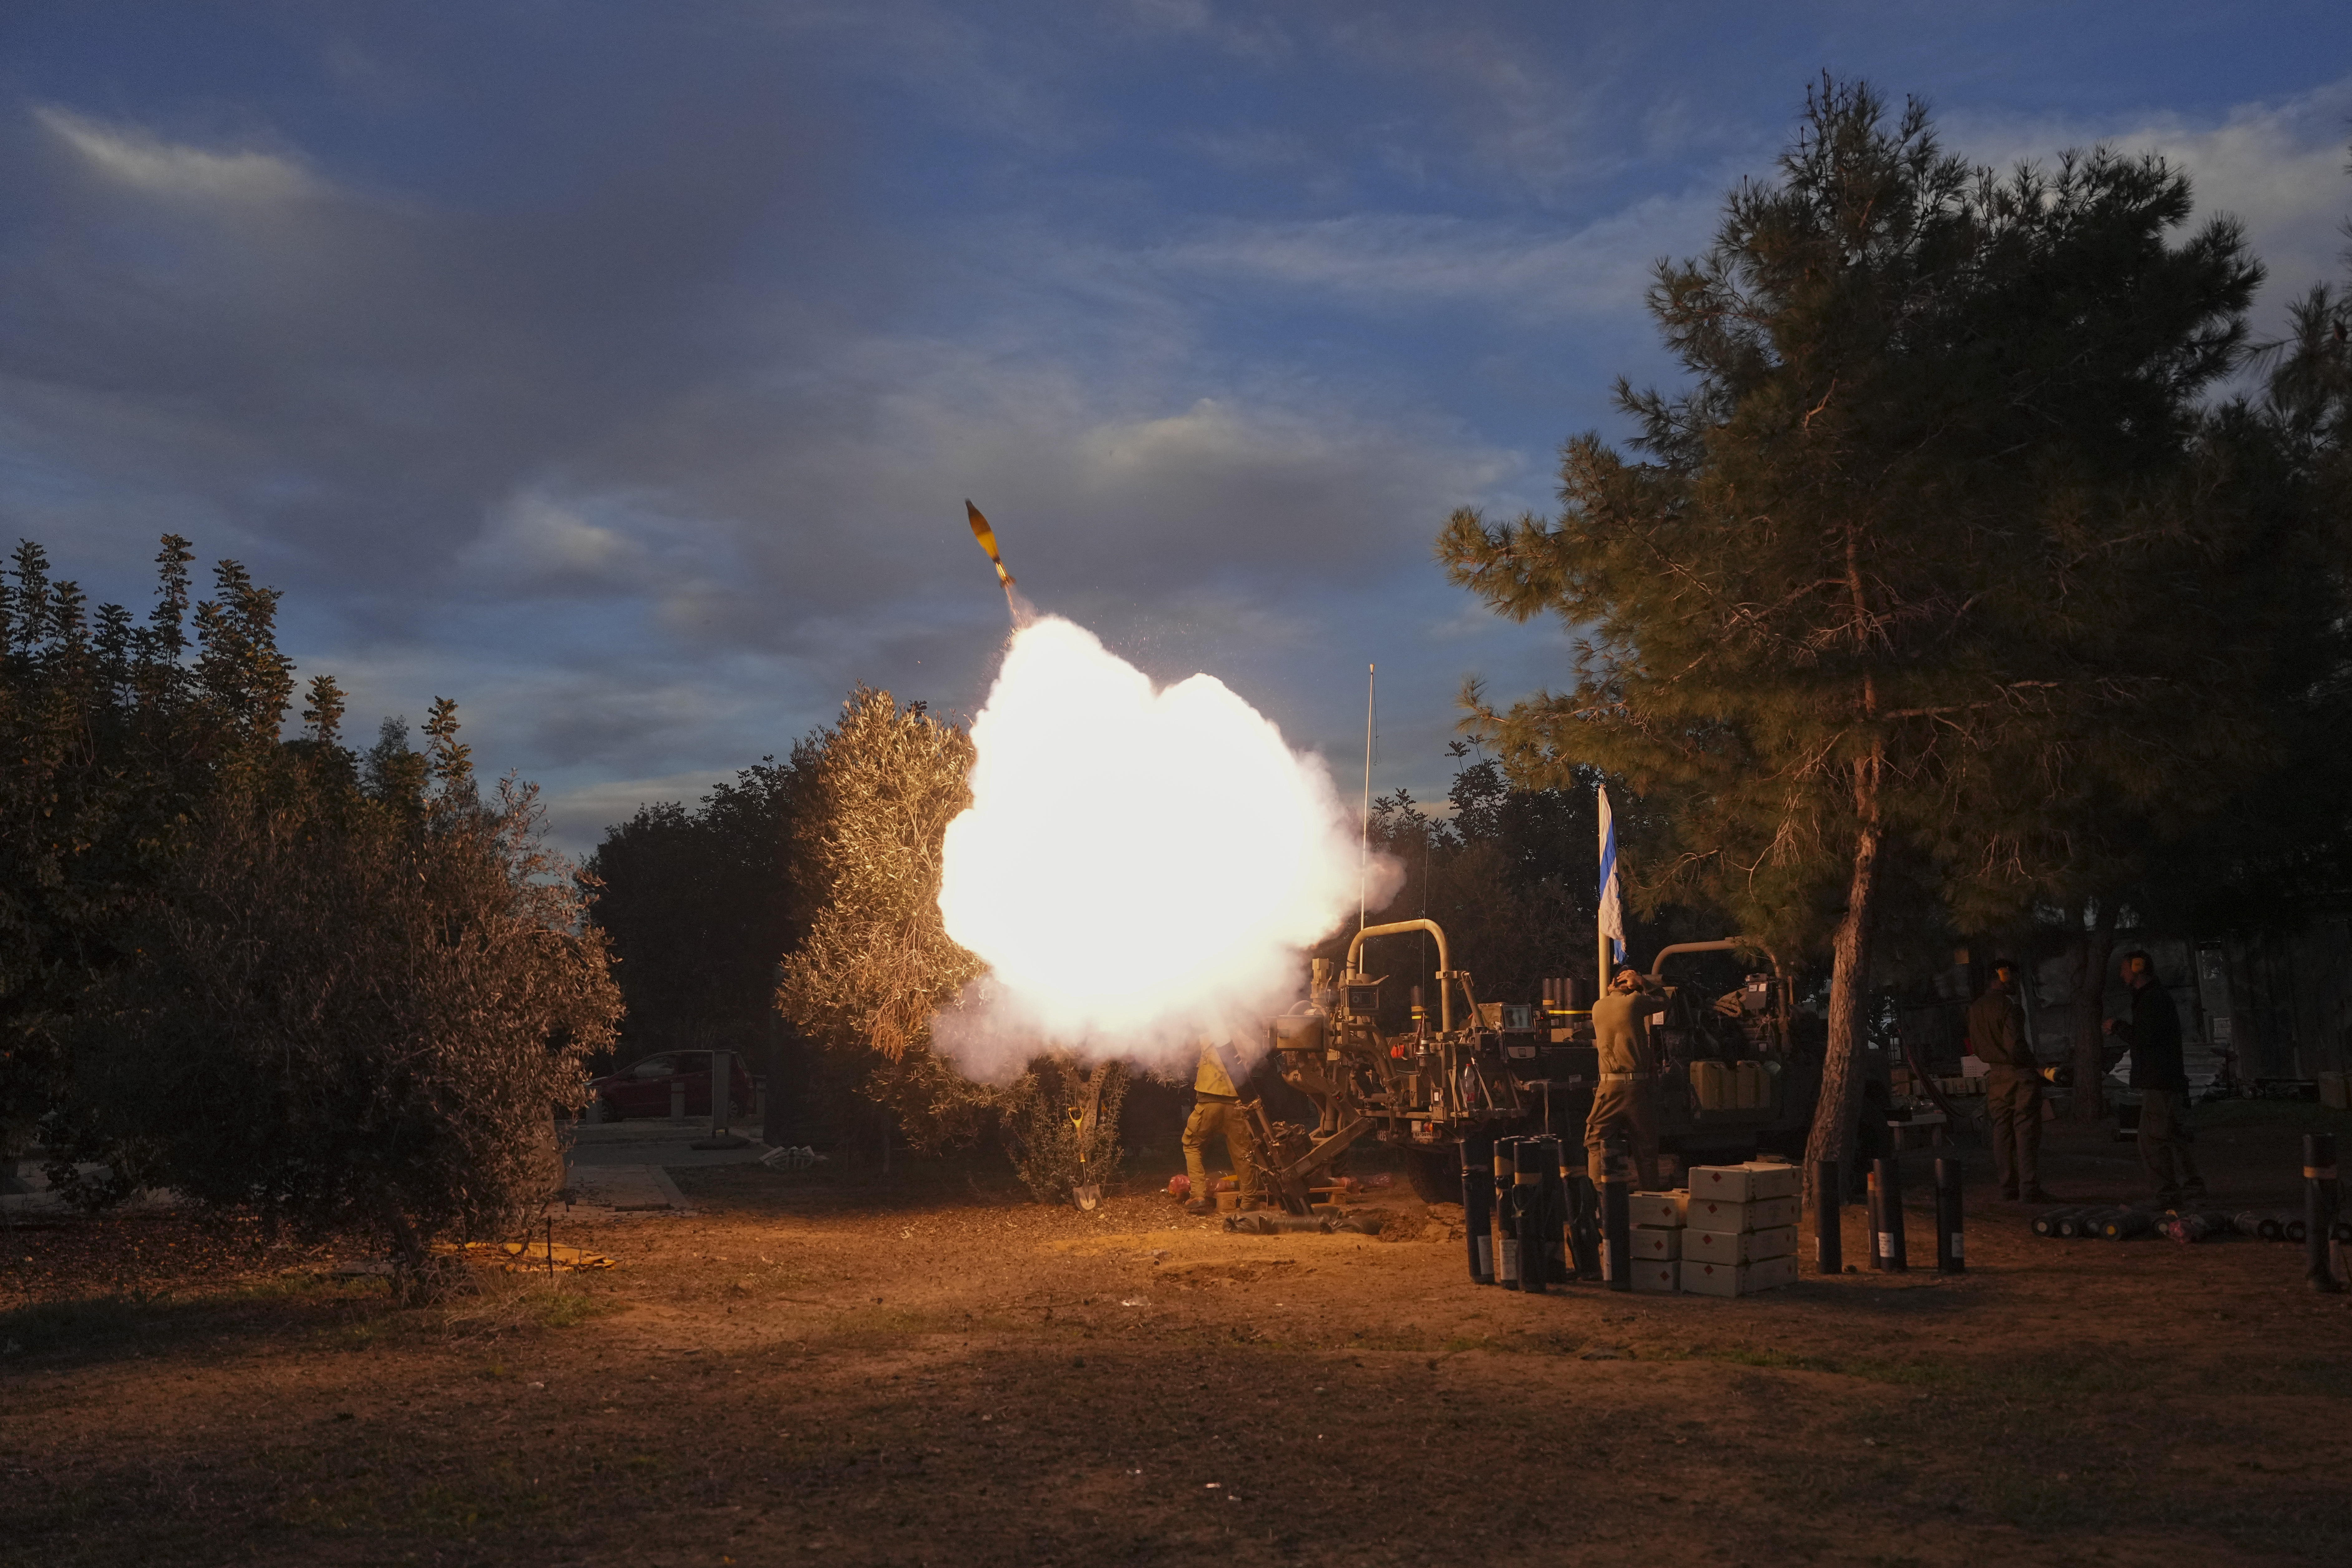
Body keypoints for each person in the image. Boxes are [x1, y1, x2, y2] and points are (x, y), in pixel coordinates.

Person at [2104, 949, 2206, 1206]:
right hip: (2166, 1078)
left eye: (2125, 968)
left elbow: (2144, 1038)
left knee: (2152, 1139)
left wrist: (2117, 1027)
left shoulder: (2151, 999)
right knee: (2172, 1135)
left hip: (2159, 1080)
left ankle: (2167, 1194)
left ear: (2138, 968)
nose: (2121, 974)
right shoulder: (2153, 997)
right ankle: (2191, 1185)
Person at [1967, 959, 2050, 1202]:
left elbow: (1978, 1046)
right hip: (2019, 1075)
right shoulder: (2009, 1007)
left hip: (1995, 1076)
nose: (2015, 982)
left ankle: (2007, 1186)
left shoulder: (1976, 1008)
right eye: (2012, 976)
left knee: (2001, 1132)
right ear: (2003, 977)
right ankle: (2029, 1187)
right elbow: (2015, 1046)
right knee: (2025, 1131)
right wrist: (2035, 1066)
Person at [1585, 966, 1664, 1190]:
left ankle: (1600, 1197)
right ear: (1629, 985)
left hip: (1608, 1086)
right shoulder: (1635, 1002)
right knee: (1646, 1148)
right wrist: (1641, 982)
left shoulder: (1598, 1006)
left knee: (1594, 1140)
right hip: (1637, 1087)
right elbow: (1663, 1000)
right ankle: (1650, 1200)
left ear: (1611, 985)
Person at [1180, 1039, 1258, 1215]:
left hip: (1209, 1103)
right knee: (1243, 1154)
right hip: (1237, 1105)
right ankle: (1249, 1201)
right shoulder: (1246, 1036)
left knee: (1192, 1145)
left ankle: (1198, 1196)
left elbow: (1185, 1051)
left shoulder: (1210, 1032)